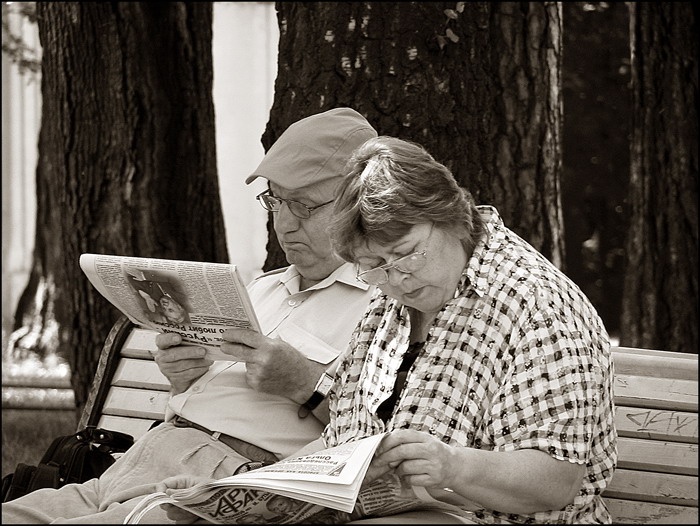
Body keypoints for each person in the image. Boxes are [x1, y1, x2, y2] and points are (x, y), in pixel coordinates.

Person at [1, 107, 377, 524]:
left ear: (355, 203)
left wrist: (307, 385)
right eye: (276, 201)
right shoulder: (264, 288)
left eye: (304, 205)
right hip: (140, 458)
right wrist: (185, 375)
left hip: (217, 483)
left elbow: (377, 432)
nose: (284, 224)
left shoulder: (379, 305)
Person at [319, 136, 618, 523]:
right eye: (375, 265)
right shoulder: (391, 297)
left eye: (407, 253)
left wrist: (454, 466)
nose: (397, 278)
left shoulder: (538, 306)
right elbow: (344, 432)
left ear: (451, 218)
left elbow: (555, 483)